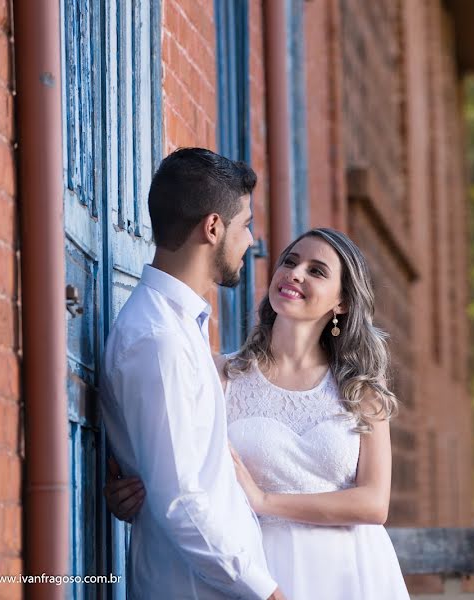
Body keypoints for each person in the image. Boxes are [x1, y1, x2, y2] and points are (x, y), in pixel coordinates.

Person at [105, 227, 411, 599]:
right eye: (290, 261)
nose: (295, 273)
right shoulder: (220, 375)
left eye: (317, 271)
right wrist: (135, 491)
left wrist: (265, 501)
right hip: (259, 566)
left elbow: (374, 503)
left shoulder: (361, 391)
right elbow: (175, 467)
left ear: (342, 302)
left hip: (352, 572)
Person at [100, 147, 285, 599]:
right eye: (245, 225)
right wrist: (266, 591)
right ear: (213, 227)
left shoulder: (180, 326)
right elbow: (181, 499)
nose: (250, 242)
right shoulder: (158, 339)